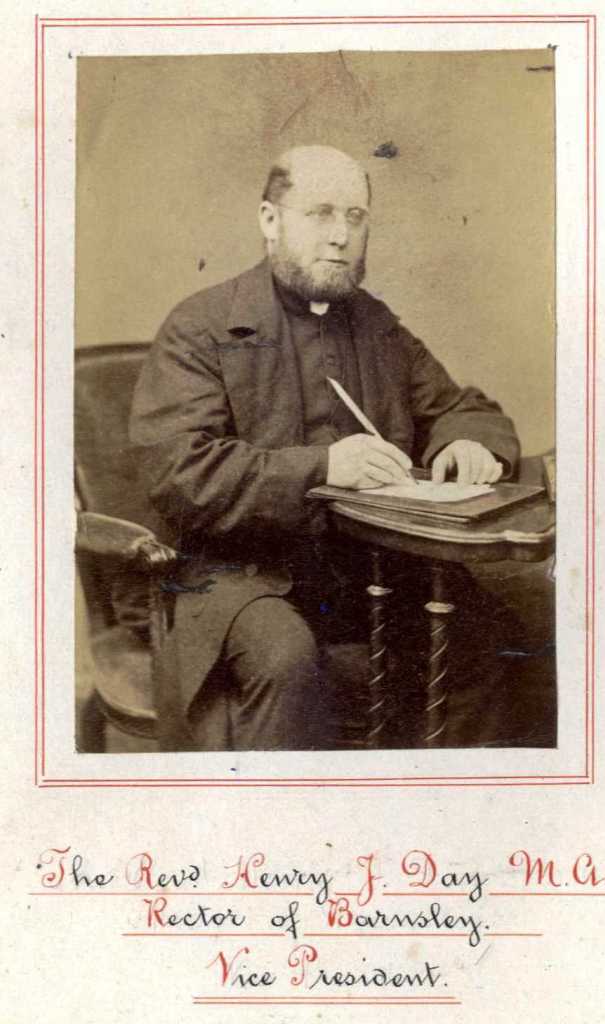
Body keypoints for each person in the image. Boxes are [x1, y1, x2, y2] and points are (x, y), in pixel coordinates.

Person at [129, 145, 520, 751]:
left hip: (365, 567)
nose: (341, 235)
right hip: (237, 573)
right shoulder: (201, 326)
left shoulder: (375, 324)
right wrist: (325, 466)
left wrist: (467, 442)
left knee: (483, 632)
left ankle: (451, 803)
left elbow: (458, 407)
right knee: (284, 659)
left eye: (355, 217)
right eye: (320, 214)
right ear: (269, 220)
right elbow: (180, 471)